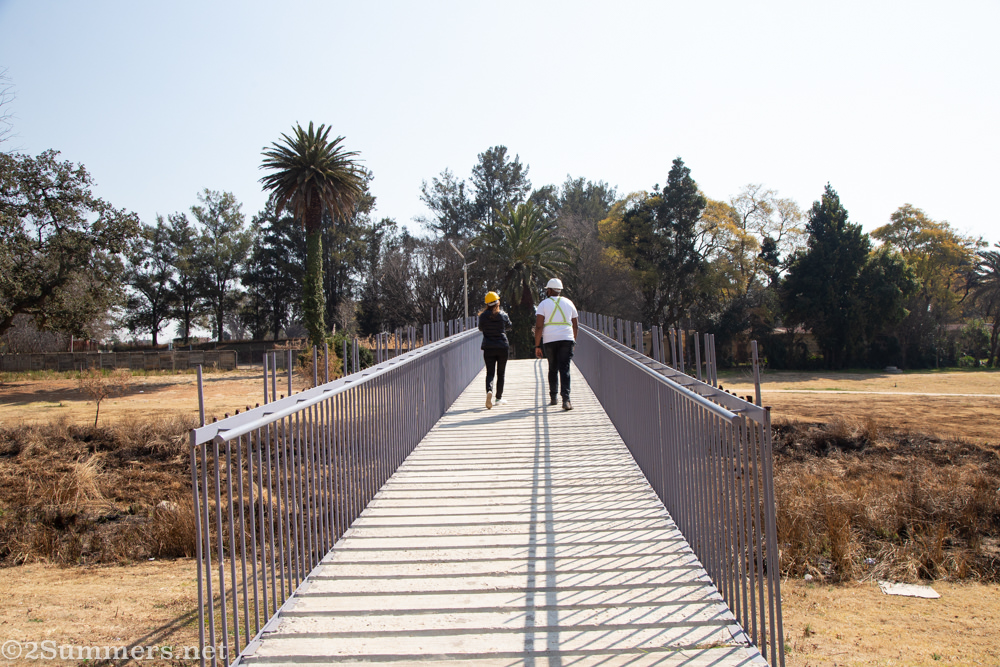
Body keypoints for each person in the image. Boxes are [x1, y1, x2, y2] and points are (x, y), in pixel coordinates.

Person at [534, 278, 579, 410]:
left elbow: (538, 326)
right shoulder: (569, 303)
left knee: (552, 368)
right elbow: (575, 325)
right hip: (567, 338)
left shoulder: (543, 304)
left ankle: (553, 397)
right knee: (565, 369)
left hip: (550, 339)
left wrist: (537, 346)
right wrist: (573, 340)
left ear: (549, 290)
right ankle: (566, 400)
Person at [478, 291, 511, 409]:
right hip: (502, 346)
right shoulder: (503, 315)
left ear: (487, 303)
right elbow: (509, 326)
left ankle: (489, 391)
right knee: (501, 373)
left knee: (490, 372)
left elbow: (481, 328)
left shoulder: (482, 316)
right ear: (498, 302)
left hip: (488, 347)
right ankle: (498, 398)